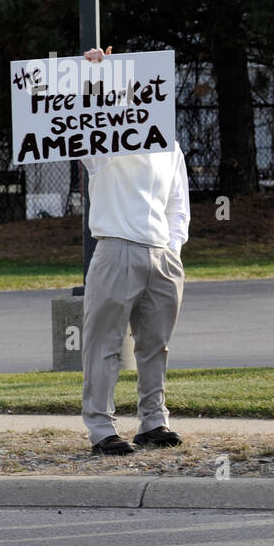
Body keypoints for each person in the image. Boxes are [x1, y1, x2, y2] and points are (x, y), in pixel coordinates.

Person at [80, 46, 190, 455]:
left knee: (155, 344)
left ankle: (153, 421)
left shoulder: (170, 146)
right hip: (116, 249)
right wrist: (91, 75)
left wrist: (172, 248)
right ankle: (100, 428)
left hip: (161, 254)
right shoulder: (104, 139)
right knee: (104, 343)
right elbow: (74, 125)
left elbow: (179, 203)